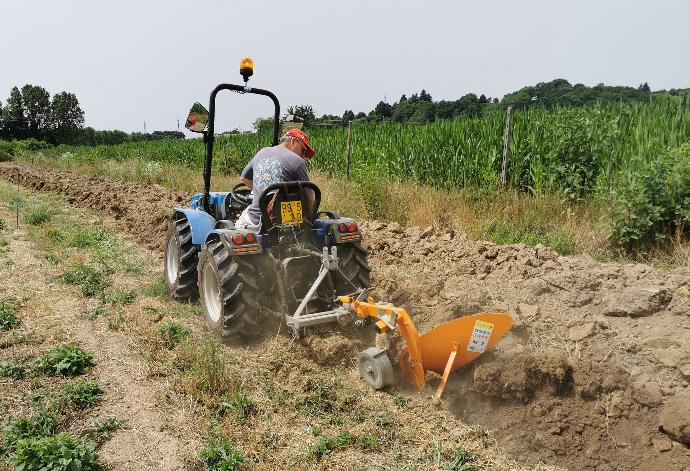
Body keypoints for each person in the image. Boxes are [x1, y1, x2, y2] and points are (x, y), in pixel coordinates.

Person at [235, 128, 316, 231]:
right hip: (290, 223)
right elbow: (311, 200)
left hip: (257, 221)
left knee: (238, 221)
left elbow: (244, 178)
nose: (303, 156)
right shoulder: (298, 162)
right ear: (293, 141)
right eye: (303, 150)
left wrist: (261, 192)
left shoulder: (261, 152)